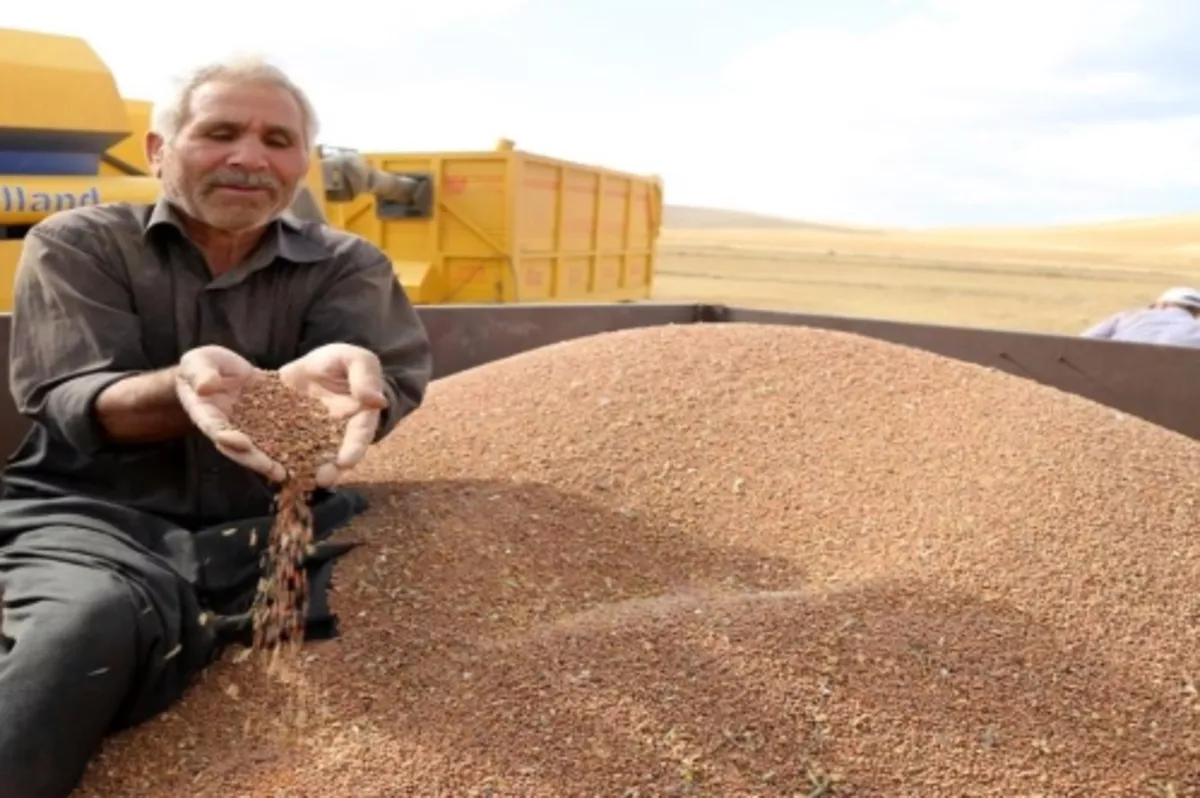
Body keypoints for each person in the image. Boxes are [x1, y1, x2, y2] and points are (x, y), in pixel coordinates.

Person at [0, 55, 433, 797]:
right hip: (92, 517)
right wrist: (191, 388)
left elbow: (378, 379)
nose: (249, 156)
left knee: (436, 600)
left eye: (277, 139)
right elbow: (72, 395)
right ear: (158, 149)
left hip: (269, 520)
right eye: (220, 132)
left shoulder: (346, 263)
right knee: (84, 627)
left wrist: (354, 388)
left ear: (301, 161)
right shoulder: (80, 244)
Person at [1080, 286, 1200, 347]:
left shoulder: (1128, 316)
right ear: (1196, 313)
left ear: (1161, 304)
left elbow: (1081, 343)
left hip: (1110, 385)